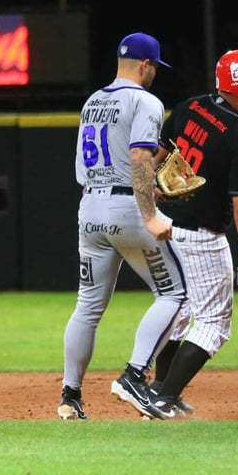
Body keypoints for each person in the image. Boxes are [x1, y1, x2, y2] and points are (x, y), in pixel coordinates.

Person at [58, 32, 188, 421]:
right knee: (176, 293)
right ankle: (134, 376)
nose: (154, 75)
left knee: (87, 307)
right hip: (127, 208)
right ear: (146, 65)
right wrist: (150, 213)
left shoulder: (93, 101)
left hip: (90, 208)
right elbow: (138, 157)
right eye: (154, 68)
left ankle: (70, 397)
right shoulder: (146, 100)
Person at [148, 49, 238, 418]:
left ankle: (158, 388)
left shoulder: (191, 106)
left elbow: (155, 156)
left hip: (165, 225)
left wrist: (146, 197)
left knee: (182, 309)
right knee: (214, 323)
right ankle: (164, 398)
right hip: (201, 236)